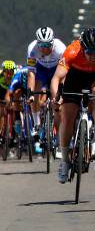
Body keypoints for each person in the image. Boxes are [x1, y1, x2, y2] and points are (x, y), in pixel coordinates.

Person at [50, 28, 95, 184]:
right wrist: (56, 98)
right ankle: (64, 161)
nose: (94, 56)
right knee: (67, 117)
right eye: (89, 51)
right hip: (75, 76)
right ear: (82, 48)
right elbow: (56, 78)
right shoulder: (72, 51)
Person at [26, 27, 66, 156]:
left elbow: (64, 74)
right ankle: (37, 125)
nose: (44, 48)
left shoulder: (61, 49)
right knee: (34, 92)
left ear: (52, 42)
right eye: (41, 45)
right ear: (37, 43)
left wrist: (60, 91)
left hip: (56, 70)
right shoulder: (32, 49)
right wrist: (30, 93)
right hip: (41, 70)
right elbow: (31, 73)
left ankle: (60, 141)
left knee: (58, 105)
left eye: (47, 44)